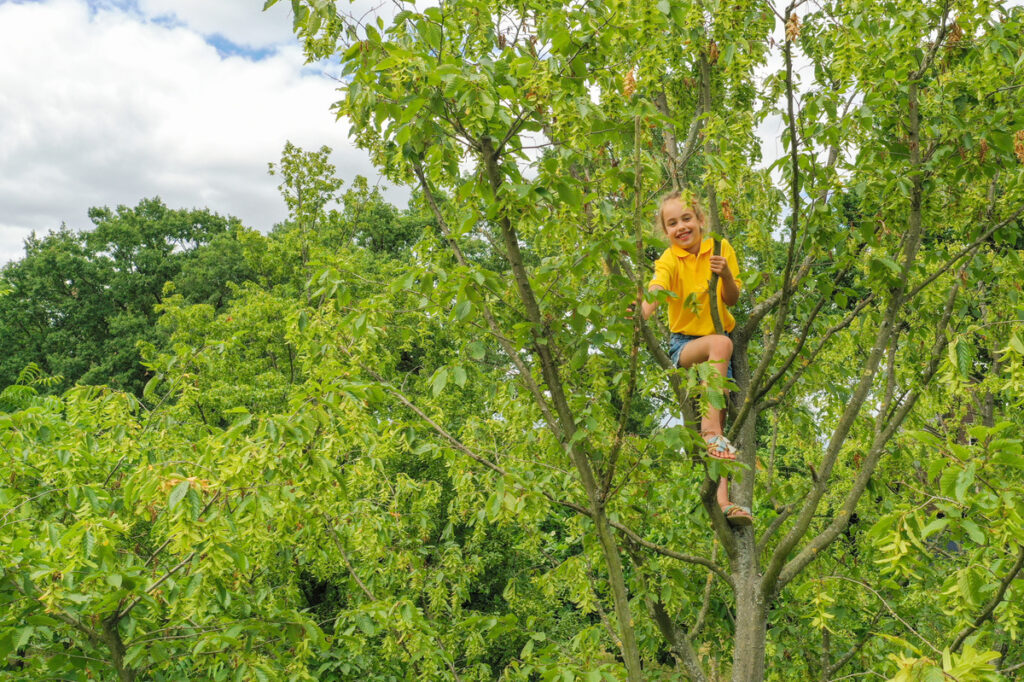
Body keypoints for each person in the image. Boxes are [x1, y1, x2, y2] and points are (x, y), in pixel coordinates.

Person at [640, 191, 751, 526]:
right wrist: (641, 314)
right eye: (671, 223)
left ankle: (723, 501)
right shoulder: (670, 259)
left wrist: (726, 274)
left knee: (724, 434)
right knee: (720, 345)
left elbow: (731, 299)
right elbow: (657, 288)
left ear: (701, 219)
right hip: (686, 346)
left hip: (717, 356)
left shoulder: (719, 248)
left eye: (686, 218)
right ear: (665, 231)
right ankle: (709, 430)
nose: (681, 227)